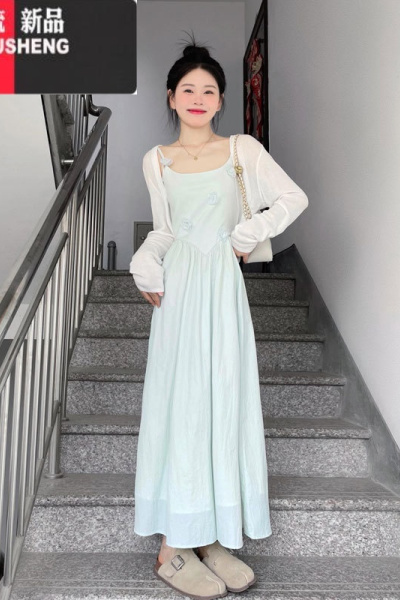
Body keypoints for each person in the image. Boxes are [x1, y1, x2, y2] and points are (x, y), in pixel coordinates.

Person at [129, 34, 308, 600]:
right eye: (188, 89)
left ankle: (208, 535)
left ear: (222, 99)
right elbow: (164, 229)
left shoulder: (241, 150)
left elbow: (292, 198)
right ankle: (172, 547)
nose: (198, 98)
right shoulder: (156, 160)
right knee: (180, 403)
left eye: (209, 90)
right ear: (171, 97)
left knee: (221, 400)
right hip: (179, 289)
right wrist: (145, 261)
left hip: (222, 287)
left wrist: (246, 234)